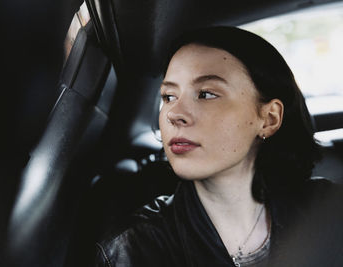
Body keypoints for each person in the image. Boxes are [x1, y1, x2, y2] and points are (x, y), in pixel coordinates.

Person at [94, 26, 343, 267]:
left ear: (269, 119)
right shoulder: (133, 249)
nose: (174, 114)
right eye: (169, 96)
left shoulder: (327, 211)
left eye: (206, 94)